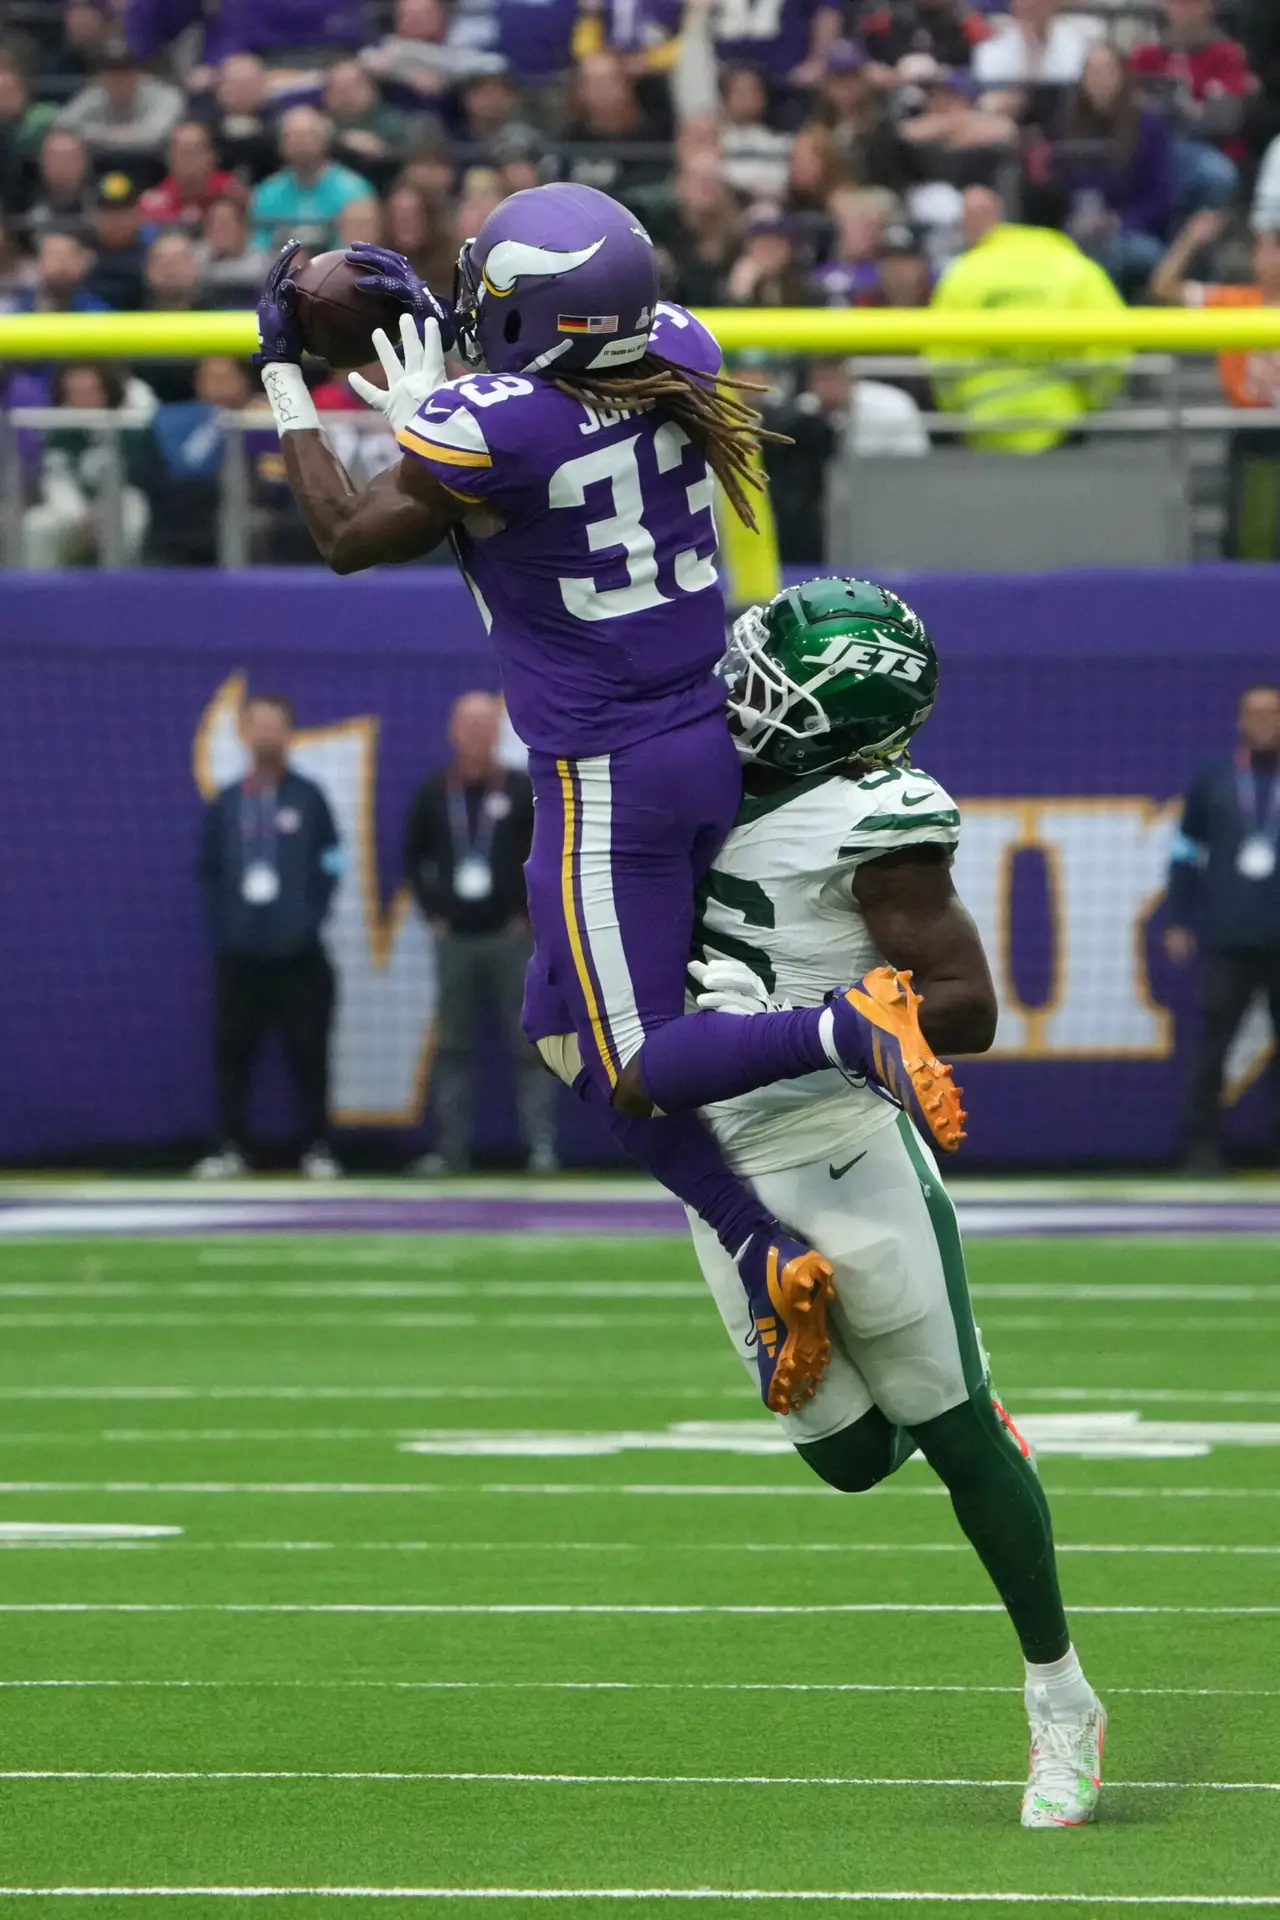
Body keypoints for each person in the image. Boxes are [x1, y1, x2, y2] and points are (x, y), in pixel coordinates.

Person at [254, 186, 969, 1417]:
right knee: (560, 1030)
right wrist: (447, 401)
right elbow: (543, 409)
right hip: (701, 732)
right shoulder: (676, 354)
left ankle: (848, 1031)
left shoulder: (495, 430)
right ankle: (762, 1247)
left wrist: (284, 374)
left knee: (634, 1059)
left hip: (603, 778)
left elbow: (344, 536)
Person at [676, 576, 1105, 1829]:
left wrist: (868, 1021)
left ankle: (1059, 1701)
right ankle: (918, 1369)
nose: (738, 688)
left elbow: (966, 1001)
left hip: (842, 1140)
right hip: (718, 1166)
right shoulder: (672, 769)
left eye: (772, 679)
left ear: (832, 716)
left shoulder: (874, 817)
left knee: (951, 1427)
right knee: (854, 1459)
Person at [403, 691, 556, 1174]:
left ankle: (541, 1148)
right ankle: (450, 1150)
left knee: (529, 1045)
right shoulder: (434, 792)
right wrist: (434, 915)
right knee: (453, 1047)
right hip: (455, 940)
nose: (475, 734)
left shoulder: (518, 790)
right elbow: (412, 858)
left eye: (484, 724)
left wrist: (527, 915)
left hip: (512, 939)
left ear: (497, 732)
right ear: (453, 732)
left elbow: (547, 851)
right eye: (467, 725)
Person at [194, 693, 343, 1180]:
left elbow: (332, 862)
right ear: (245, 733)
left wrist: (308, 917)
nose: (267, 735)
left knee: (309, 1054)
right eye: (258, 725)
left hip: (299, 956)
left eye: (276, 726)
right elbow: (209, 871)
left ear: (289, 733)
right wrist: (228, 924)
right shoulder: (229, 802)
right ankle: (232, 1147)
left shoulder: (309, 798)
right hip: (240, 956)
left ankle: (317, 1147)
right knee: (233, 1054)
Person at [1165, 683, 1280, 1172]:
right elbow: (1183, 854)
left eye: (1273, 713)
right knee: (1213, 1048)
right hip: (1229, 938)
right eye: (1255, 713)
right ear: (1240, 720)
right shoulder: (1214, 780)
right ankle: (1201, 1149)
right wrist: (1177, 918)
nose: (1264, 722)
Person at [929, 182, 1126, 451]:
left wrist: (955, 411)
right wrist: (1092, 403)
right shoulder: (1082, 272)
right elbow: (1110, 351)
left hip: (980, 419)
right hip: (1062, 421)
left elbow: (941, 354)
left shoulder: (964, 272)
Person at [1152, 216, 1280, 556]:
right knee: (1248, 529)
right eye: (1266, 249)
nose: (1271, 259)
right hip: (1251, 428)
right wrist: (1191, 239)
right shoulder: (1232, 301)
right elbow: (1164, 286)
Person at [249, 106, 377, 254]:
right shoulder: (267, 192)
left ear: (325, 140)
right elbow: (258, 250)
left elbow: (359, 254)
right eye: (290, 136)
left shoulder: (353, 191)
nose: (299, 143)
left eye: (307, 136)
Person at [56, 42, 184, 159]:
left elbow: (154, 135)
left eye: (125, 71)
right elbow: (63, 123)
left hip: (154, 165)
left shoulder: (164, 95)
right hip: (100, 164)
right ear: (101, 76)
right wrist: (108, 133)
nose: (118, 79)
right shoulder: (96, 93)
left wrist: (104, 134)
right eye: (111, 72)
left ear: (137, 73)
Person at [139, 120, 241, 233]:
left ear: (212, 156)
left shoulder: (232, 194)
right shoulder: (154, 203)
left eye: (195, 152)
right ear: (169, 158)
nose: (189, 161)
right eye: (182, 153)